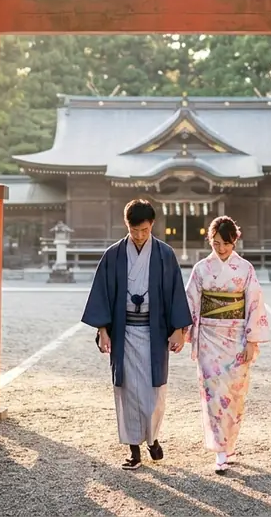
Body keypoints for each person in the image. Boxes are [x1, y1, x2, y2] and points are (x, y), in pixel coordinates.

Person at [81, 199, 192, 470]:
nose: (139, 235)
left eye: (144, 230)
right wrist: (103, 330)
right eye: (134, 230)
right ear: (126, 225)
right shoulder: (114, 255)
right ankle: (134, 449)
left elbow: (176, 293)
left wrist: (178, 330)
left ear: (152, 224)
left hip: (155, 334)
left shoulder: (165, 254)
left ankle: (152, 438)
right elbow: (102, 295)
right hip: (124, 332)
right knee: (127, 390)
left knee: (155, 391)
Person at [185, 215, 269, 475]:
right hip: (209, 338)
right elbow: (190, 302)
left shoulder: (245, 269)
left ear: (235, 241)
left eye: (225, 243)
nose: (220, 248)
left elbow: (254, 304)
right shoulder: (201, 269)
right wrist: (183, 333)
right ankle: (220, 451)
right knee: (212, 396)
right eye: (215, 243)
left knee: (234, 395)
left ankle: (229, 444)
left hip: (236, 340)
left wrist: (252, 341)